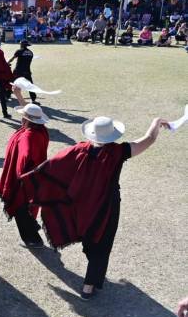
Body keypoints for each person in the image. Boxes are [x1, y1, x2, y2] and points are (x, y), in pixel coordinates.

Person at [19, 116, 169, 299]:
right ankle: (88, 286)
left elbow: (51, 166)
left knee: (89, 237)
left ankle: (93, 270)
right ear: (112, 136)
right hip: (106, 207)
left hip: (81, 204)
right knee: (102, 244)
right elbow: (148, 139)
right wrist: (156, 122)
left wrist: (29, 179)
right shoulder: (118, 152)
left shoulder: (78, 150)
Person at [0, 86, 49, 248]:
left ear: (26, 120)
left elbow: (25, 157)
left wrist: (21, 177)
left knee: (20, 207)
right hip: (35, 177)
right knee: (27, 208)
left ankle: (33, 239)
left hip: (24, 179)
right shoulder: (41, 130)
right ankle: (33, 231)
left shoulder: (28, 136)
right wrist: (18, 94)